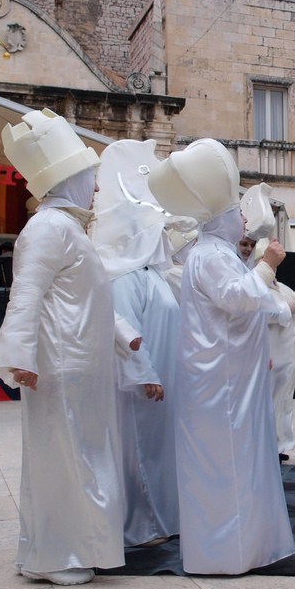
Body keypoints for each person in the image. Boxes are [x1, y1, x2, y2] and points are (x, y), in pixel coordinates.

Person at [0, 108, 125, 586]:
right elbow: (24, 296)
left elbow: (96, 296)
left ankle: (63, 548)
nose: (97, 188)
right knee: (65, 462)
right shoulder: (48, 229)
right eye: (91, 177)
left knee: (75, 459)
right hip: (59, 369)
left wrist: (127, 338)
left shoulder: (66, 229)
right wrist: (20, 357)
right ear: (69, 179)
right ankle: (58, 554)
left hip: (77, 369)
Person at [148, 138, 295, 575]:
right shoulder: (210, 255)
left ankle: (247, 546)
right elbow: (237, 298)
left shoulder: (218, 255)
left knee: (241, 462)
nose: (243, 221)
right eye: (236, 213)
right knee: (225, 467)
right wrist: (268, 267)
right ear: (220, 219)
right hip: (221, 386)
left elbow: (247, 302)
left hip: (232, 379)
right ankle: (225, 552)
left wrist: (286, 306)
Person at [91, 138, 181, 548]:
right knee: (140, 449)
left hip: (164, 379)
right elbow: (124, 330)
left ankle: (165, 517)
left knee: (160, 451)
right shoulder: (122, 275)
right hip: (144, 385)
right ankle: (142, 525)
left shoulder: (153, 274)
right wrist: (145, 373)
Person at [241, 182, 295, 462]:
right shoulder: (253, 284)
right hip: (270, 353)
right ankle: (267, 441)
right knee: (268, 401)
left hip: (288, 355)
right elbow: (263, 311)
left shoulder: (280, 288)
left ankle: (282, 442)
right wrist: (293, 305)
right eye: (244, 244)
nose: (246, 249)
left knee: (283, 402)